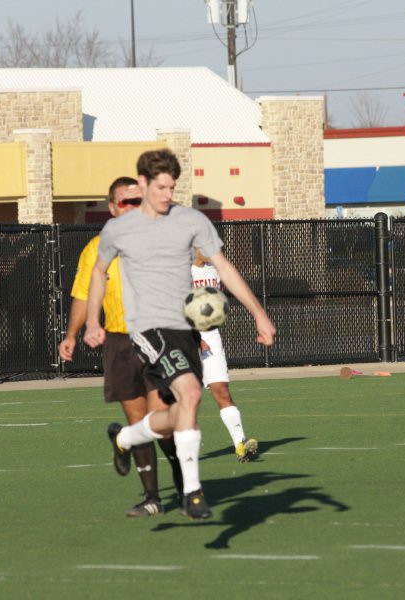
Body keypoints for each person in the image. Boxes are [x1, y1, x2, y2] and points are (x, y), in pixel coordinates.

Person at [83, 148, 275, 520]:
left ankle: (124, 438)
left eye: (172, 187)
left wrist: (259, 313)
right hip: (148, 329)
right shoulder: (119, 228)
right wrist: (93, 320)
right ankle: (192, 493)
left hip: (184, 328)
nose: (167, 195)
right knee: (191, 393)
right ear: (142, 183)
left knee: (178, 413)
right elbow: (98, 272)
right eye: (160, 188)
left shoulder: (191, 221)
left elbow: (225, 267)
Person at [59, 177, 183, 517]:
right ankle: (152, 498)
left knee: (162, 420)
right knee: (136, 418)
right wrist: (72, 334)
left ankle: (186, 485)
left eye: (137, 201)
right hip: (119, 343)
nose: (131, 208)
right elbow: (83, 296)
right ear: (112, 208)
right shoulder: (97, 248)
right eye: (125, 202)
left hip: (157, 338)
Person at [191, 248, 257, 462]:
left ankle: (240, 444)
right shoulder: (181, 271)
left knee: (221, 391)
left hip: (211, 337)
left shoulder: (216, 270)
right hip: (183, 337)